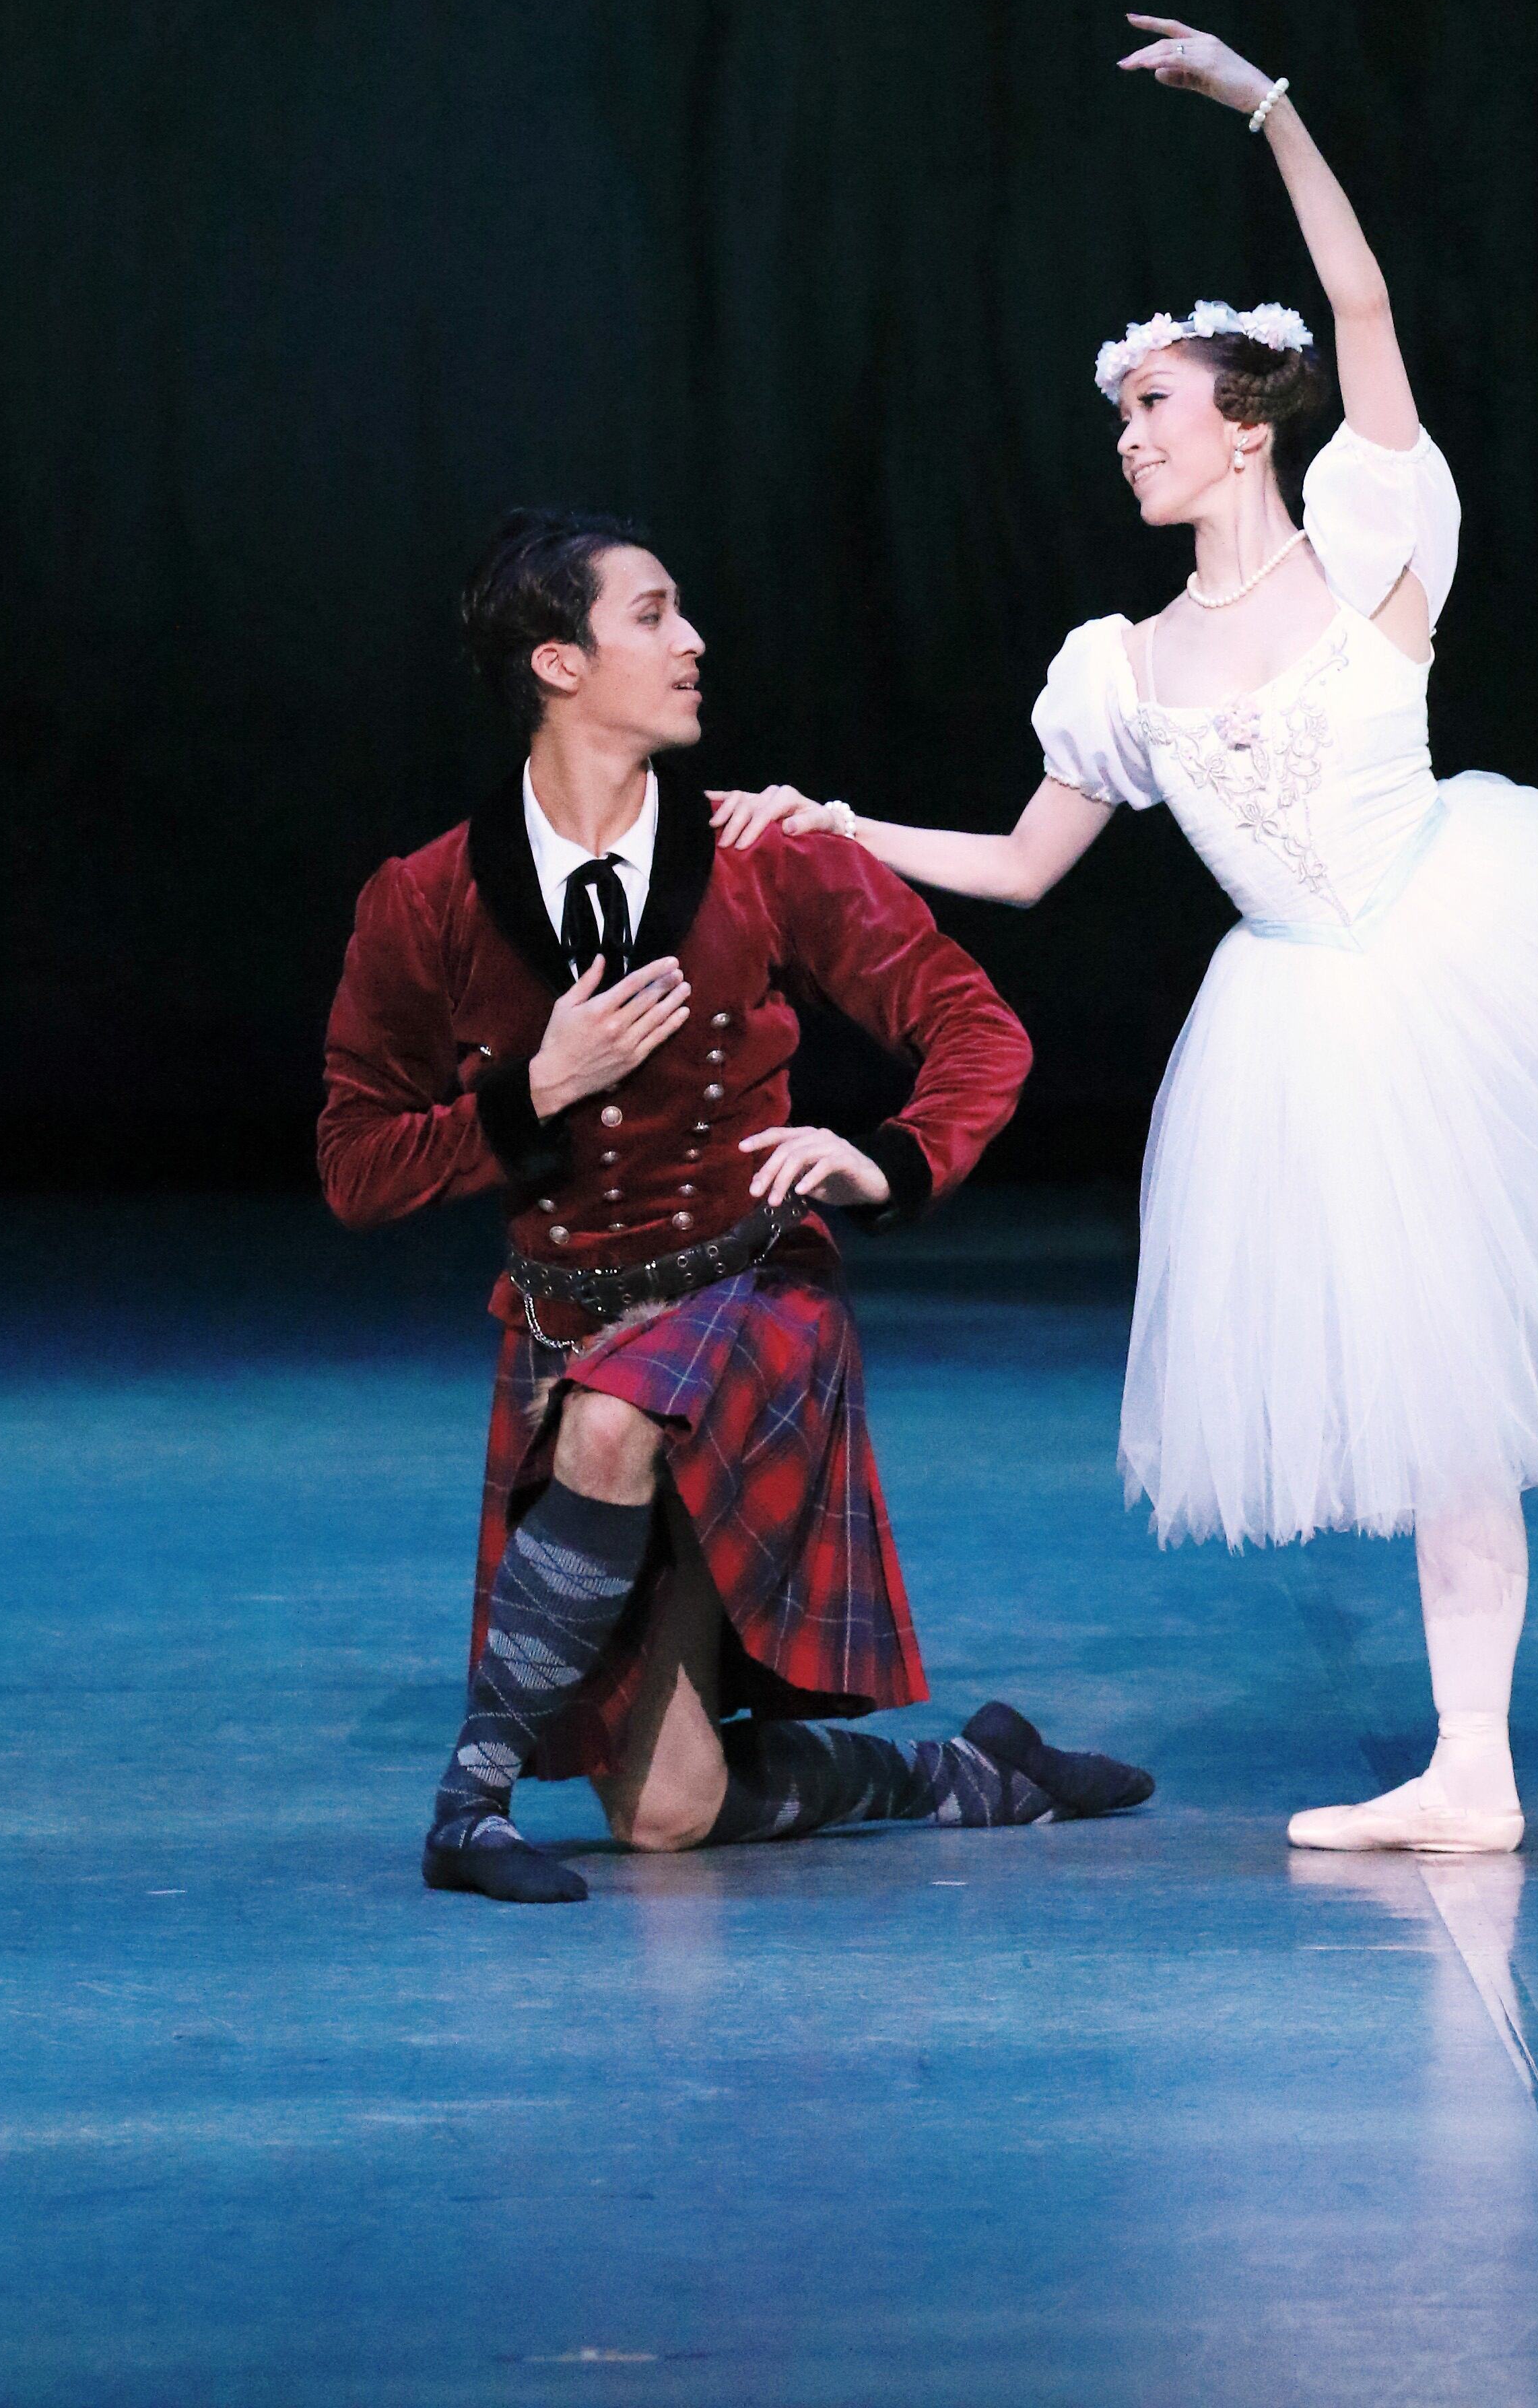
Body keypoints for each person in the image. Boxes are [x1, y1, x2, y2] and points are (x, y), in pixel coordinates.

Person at [712, 22, 1538, 1856]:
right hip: (1305, 1032)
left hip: (1460, 966)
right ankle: (1473, 1771)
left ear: (1240, 423)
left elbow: (1360, 305)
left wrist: (1273, 109)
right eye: (1119, 417)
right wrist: (838, 822)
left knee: (1466, 1397)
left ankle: (1473, 1764)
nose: (1125, 438)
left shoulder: (1373, 546)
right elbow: (1022, 865)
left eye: (1150, 407)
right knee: (1436, 1407)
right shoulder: (1122, 668)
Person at [320, 506, 1153, 1903]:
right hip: (570, 1316)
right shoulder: (428, 900)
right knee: (667, 1817)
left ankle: (467, 1805)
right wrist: (537, 1089)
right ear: (558, 663)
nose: (694, 640)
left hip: (750, 1289)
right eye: (653, 615)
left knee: (613, 1419)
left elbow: (975, 1029)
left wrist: (889, 1158)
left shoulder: (770, 857)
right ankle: (968, 1772)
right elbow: (356, 1166)